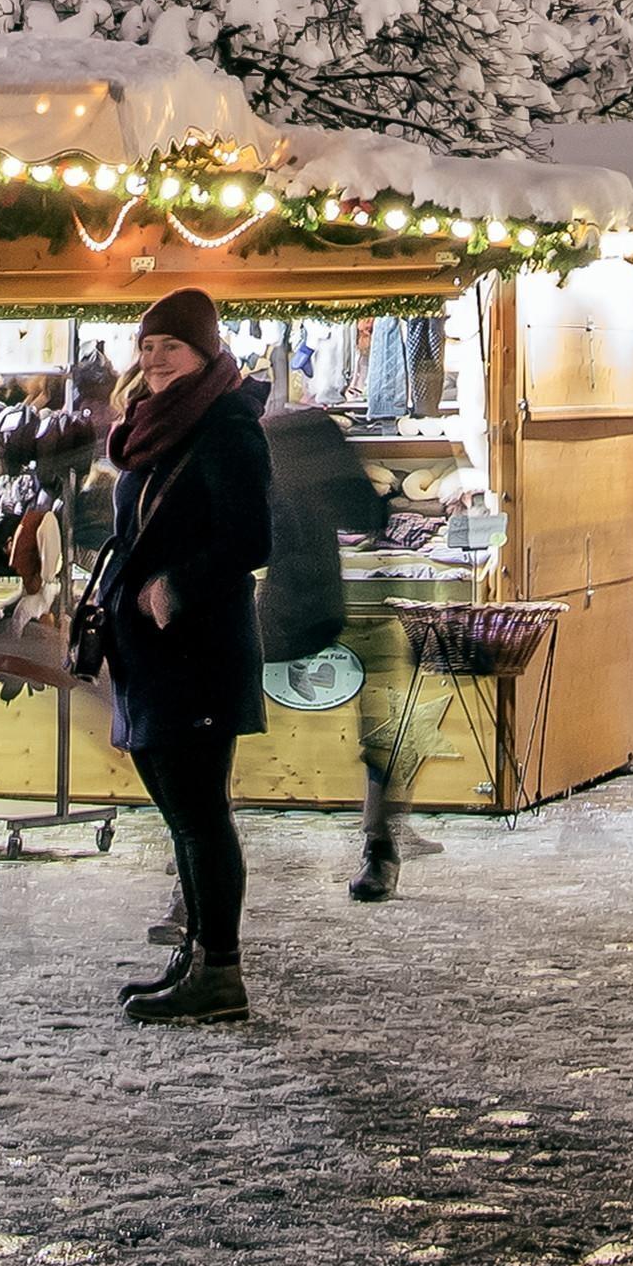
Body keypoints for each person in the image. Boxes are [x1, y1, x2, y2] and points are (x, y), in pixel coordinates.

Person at [94, 288, 277, 1026]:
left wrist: (175, 585)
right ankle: (196, 955)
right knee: (182, 817)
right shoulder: (152, 427)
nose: (157, 358)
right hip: (150, 655)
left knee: (201, 816)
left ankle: (221, 972)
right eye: (148, 345)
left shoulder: (228, 427)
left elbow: (249, 540)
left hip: (197, 650)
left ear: (204, 351)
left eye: (172, 345)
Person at [258, 386, 404, 903]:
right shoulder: (301, 436)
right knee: (381, 721)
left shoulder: (271, 439)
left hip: (280, 608)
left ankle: (380, 842)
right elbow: (368, 514)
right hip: (315, 604)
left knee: (210, 727)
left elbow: (363, 512)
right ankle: (379, 843)